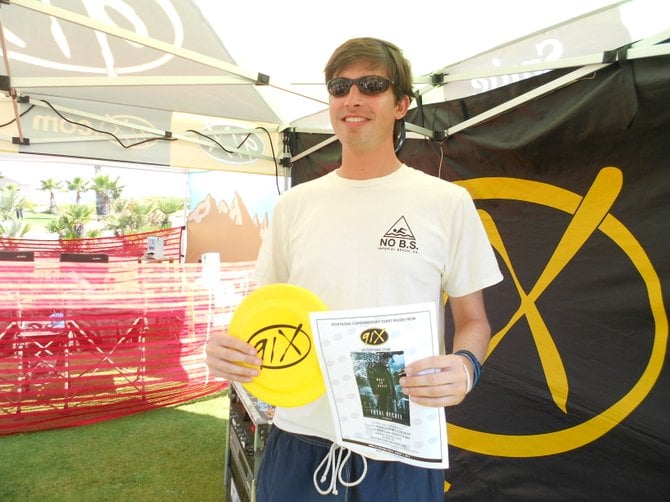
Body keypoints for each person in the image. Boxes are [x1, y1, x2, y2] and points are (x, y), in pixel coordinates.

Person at [206, 37, 503, 501]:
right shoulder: (294, 205)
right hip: (300, 439)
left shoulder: (445, 202)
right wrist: (229, 350)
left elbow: (474, 321)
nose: (353, 98)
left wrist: (466, 368)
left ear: (402, 103)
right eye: (339, 86)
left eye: (371, 84)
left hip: (401, 451)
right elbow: (262, 317)